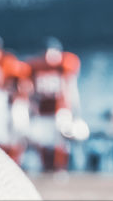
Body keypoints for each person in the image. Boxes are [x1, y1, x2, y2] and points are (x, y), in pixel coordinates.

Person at [26, 38, 83, 173]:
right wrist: (31, 108)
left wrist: (76, 111)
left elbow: (71, 88)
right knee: (42, 140)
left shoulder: (65, 65)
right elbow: (30, 90)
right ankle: (46, 168)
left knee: (60, 139)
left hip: (61, 108)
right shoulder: (35, 67)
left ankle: (60, 169)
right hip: (43, 109)